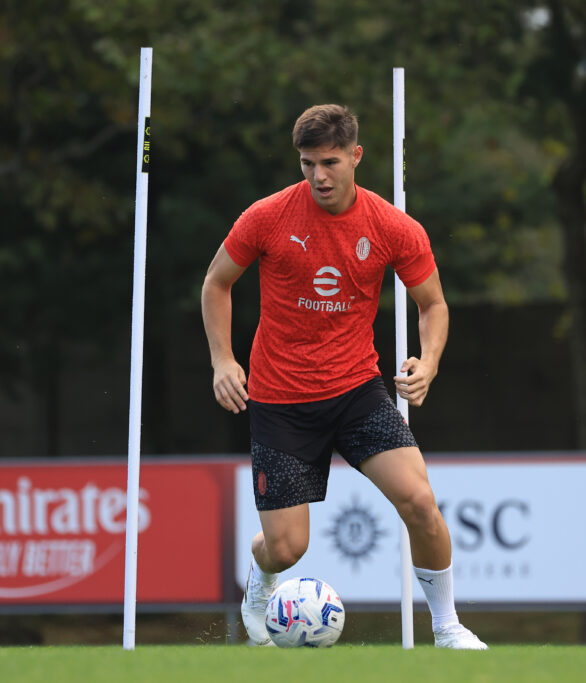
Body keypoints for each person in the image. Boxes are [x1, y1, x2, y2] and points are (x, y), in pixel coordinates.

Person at [201, 104, 486, 650]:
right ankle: (260, 582)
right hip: (279, 400)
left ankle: (448, 627)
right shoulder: (267, 216)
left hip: (357, 392)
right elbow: (217, 282)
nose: (318, 176)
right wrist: (223, 360)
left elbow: (433, 304)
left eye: (330, 162)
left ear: (356, 155)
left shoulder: (391, 226)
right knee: (286, 549)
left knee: (421, 503)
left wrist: (427, 362)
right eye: (307, 163)